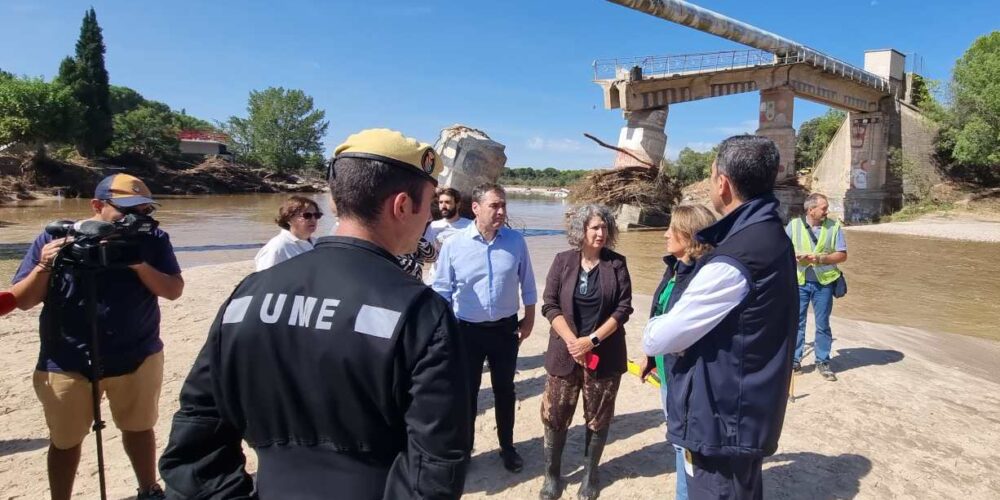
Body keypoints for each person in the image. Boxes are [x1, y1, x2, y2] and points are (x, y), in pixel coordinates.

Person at [159, 128, 471, 499]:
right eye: (429, 205)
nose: (430, 220)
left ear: (337, 201)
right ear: (402, 206)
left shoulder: (248, 294)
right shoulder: (422, 313)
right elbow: (436, 467)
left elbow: (196, 440)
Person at [9, 173, 184, 500]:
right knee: (65, 440)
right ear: (97, 205)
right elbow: (22, 300)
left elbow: (173, 290)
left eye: (145, 210)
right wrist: (44, 266)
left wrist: (137, 263)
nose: (137, 218)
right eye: (128, 210)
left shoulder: (152, 239)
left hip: (138, 354)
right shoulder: (54, 238)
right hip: (67, 359)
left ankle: (149, 489)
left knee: (139, 428)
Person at [643, 135, 797, 500]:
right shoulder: (772, 234)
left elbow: (659, 337)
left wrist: (653, 327)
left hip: (722, 422)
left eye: (712, 175)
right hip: (747, 410)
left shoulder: (735, 257)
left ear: (723, 184)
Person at [432, 183, 536, 473]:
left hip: (505, 331)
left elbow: (527, 282)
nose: (501, 211)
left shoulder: (515, 242)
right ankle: (464, 450)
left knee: (505, 391)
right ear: (476, 208)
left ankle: (507, 448)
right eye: (495, 206)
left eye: (503, 205)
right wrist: (445, 330)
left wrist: (529, 318)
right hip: (466, 331)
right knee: (467, 394)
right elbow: (441, 290)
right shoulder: (454, 244)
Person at [539, 204, 632, 500]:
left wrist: (590, 341)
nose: (600, 232)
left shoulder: (617, 264)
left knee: (598, 417)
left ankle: (591, 474)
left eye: (604, 227)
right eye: (594, 227)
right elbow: (550, 303)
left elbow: (623, 308)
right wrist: (572, 342)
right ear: (581, 230)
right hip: (565, 353)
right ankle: (552, 474)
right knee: (555, 415)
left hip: (604, 354)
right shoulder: (563, 261)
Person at [638, 204, 717, 500]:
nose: (665, 234)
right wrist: (649, 355)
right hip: (667, 367)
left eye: (672, 229)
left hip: (688, 373)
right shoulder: (674, 267)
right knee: (678, 439)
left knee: (687, 443)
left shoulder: (703, 276)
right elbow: (658, 312)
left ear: (689, 234)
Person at [786, 192, 847, 381]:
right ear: (811, 210)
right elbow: (781, 250)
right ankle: (794, 361)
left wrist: (820, 258)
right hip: (799, 282)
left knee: (823, 324)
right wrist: (793, 255)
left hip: (824, 284)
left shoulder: (833, 227)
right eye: (823, 208)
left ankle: (823, 361)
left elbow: (842, 255)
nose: (826, 212)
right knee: (797, 323)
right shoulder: (793, 226)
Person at [254, 195, 321, 271]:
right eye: (307, 215)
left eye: (316, 215)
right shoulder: (277, 247)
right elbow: (265, 280)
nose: (313, 219)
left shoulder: (317, 244)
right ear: (289, 219)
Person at [423, 187, 472, 283]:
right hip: (437, 279)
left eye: (447, 202)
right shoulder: (434, 226)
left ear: (458, 205)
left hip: (462, 280)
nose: (443, 206)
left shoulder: (470, 226)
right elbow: (426, 255)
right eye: (440, 202)